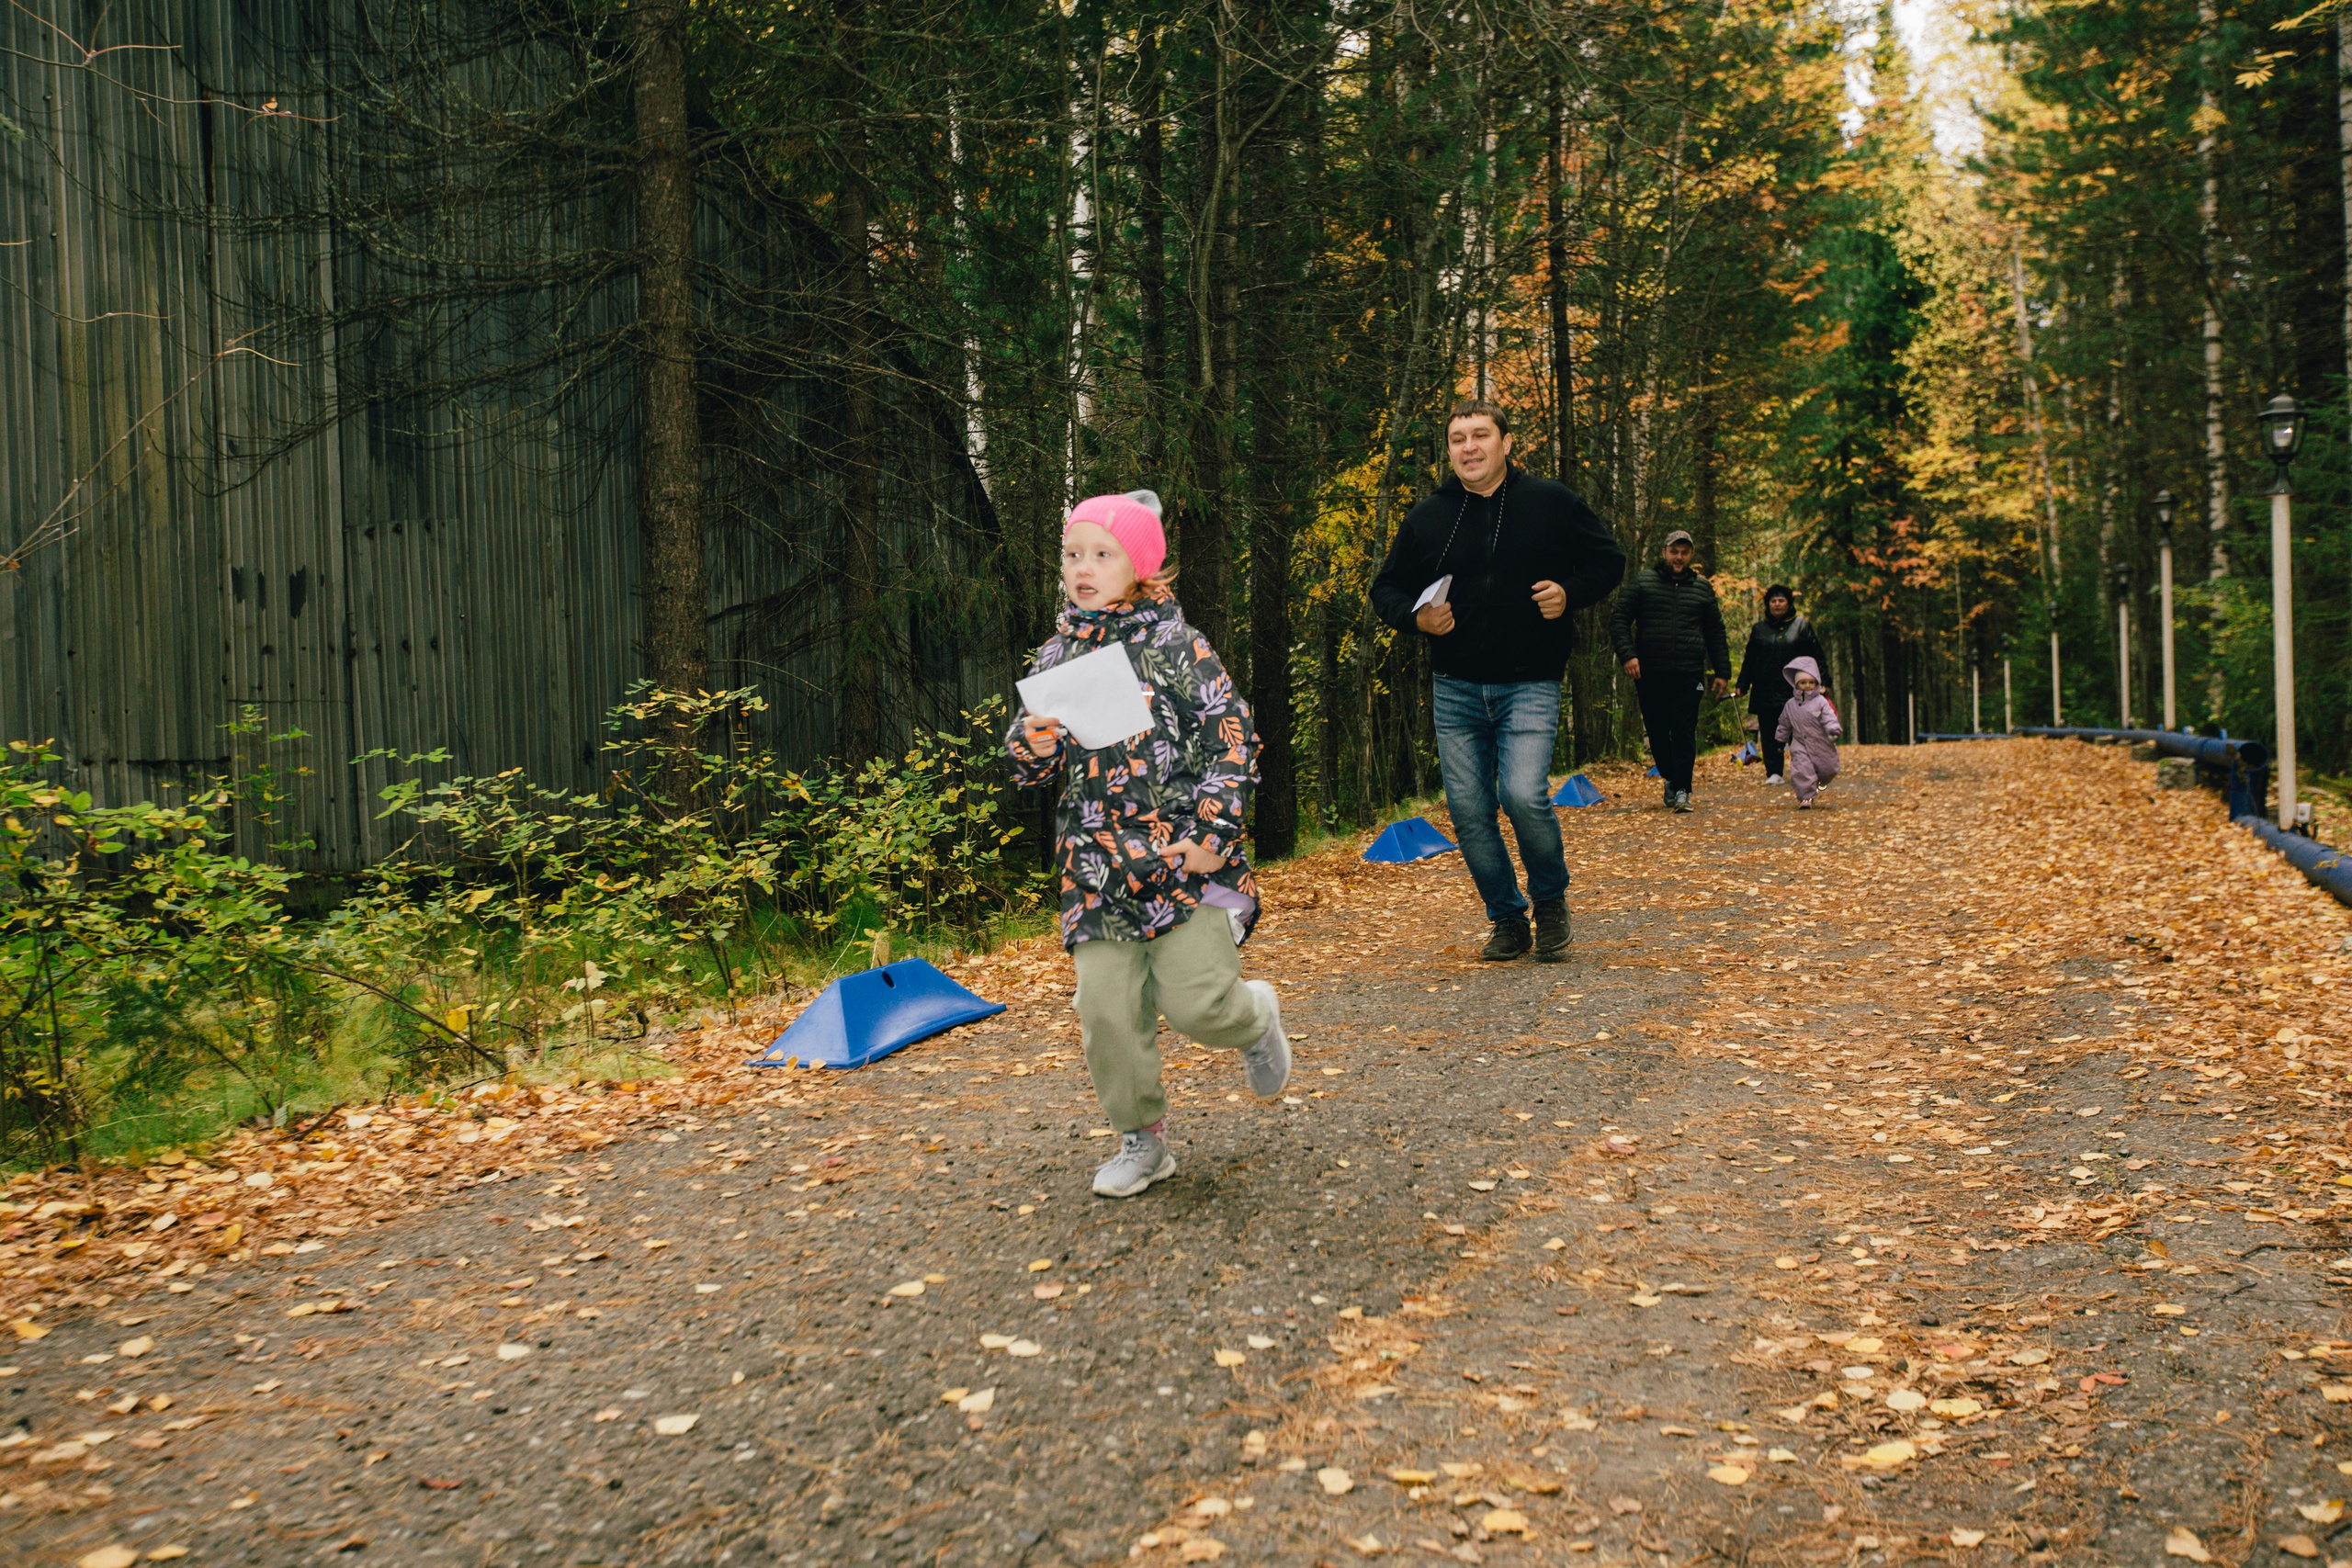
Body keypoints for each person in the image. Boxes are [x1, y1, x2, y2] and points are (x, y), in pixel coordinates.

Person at [1005, 490, 1292, 1200]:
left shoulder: (1176, 644)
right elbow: (1033, 763)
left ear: (1141, 565)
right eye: (1073, 554)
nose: (1083, 567)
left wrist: (1212, 836)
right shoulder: (1055, 653)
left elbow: (1235, 737)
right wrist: (1030, 743)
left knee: (1198, 1004)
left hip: (1180, 859)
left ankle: (1253, 1019)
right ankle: (1143, 1139)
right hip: (1096, 866)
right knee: (1105, 1010)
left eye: (1102, 554)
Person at [1369, 399, 1625, 963]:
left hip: (1530, 679)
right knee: (1467, 809)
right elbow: (1385, 588)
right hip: (1455, 685)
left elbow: (1608, 561)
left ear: (1506, 443)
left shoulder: (1551, 503)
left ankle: (1550, 902)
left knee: (1523, 794)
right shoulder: (1429, 516)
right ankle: (1508, 918)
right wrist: (1418, 619)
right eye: (1458, 438)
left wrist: (1568, 594)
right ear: (1450, 450)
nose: (1469, 447)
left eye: (1480, 435)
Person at [1608, 530, 1730, 811]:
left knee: (1685, 729)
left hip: (1689, 673)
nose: (1679, 557)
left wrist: (1722, 671)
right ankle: (1672, 779)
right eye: (1674, 551)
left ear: (1691, 556)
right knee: (1658, 731)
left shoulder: (1702, 588)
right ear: (1664, 552)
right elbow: (1619, 620)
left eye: (1684, 552)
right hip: (1650, 672)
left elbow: (1715, 632)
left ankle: (1683, 790)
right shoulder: (1643, 582)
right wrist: (1629, 656)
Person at [1735, 584, 1830, 785]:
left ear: (1788, 603)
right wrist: (1742, 684)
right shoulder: (1759, 629)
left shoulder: (1801, 626)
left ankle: (1804, 769)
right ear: (1768, 605)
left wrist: (1824, 681)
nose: (1777, 605)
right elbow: (1750, 659)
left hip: (1796, 689)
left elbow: (1816, 655)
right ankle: (1774, 772)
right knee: (1770, 732)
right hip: (1765, 688)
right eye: (1773, 601)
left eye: (1781, 600)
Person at [1774, 656, 1842, 807]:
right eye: (1803, 683)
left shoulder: (1821, 702)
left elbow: (1829, 717)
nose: (1807, 686)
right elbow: (1784, 723)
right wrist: (1780, 739)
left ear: (1816, 683)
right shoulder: (1790, 705)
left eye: (1811, 682)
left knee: (1829, 769)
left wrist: (1833, 729)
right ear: (1796, 684)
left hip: (1822, 743)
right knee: (1801, 768)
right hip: (1800, 743)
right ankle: (1805, 797)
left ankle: (1821, 780)